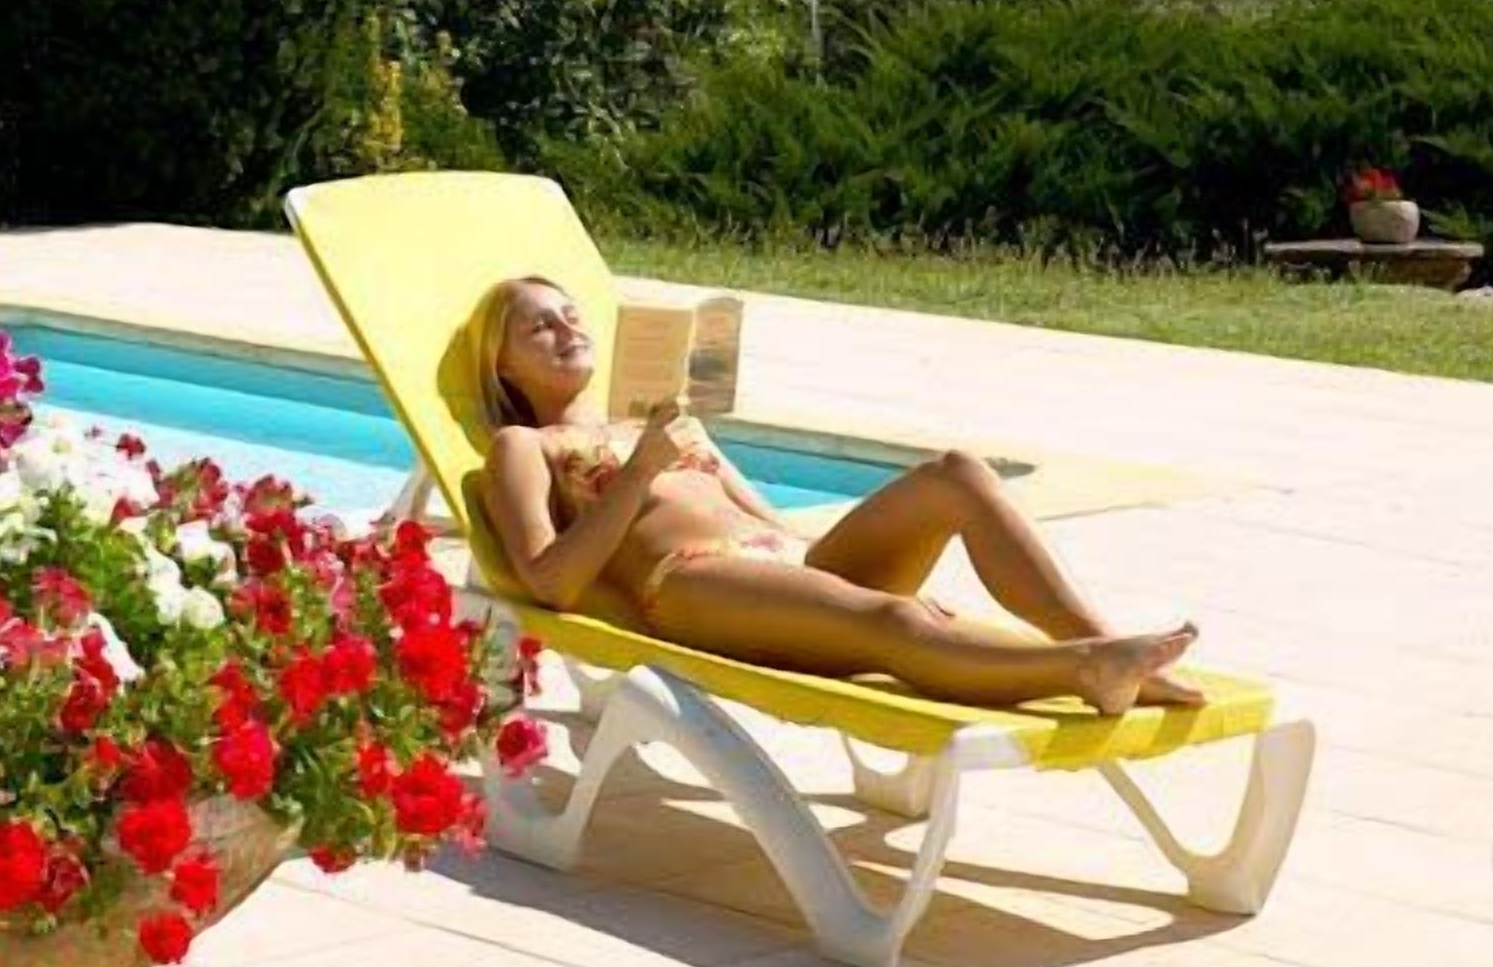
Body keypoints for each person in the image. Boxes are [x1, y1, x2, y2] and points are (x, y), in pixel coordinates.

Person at [473, 276, 1202, 715]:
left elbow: (761, 516)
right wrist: (638, 473)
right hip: (692, 582)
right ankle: (1085, 669)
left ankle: (1102, 644)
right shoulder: (526, 448)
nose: (566, 328)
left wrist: (693, 454)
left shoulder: (656, 420)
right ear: (504, 367)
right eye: (541, 325)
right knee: (895, 617)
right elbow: (549, 581)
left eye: (571, 314)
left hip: (777, 566)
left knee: (958, 473)